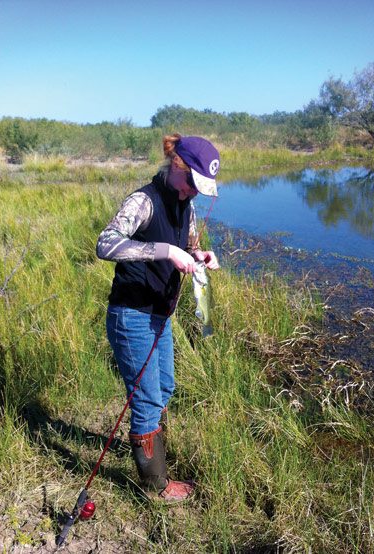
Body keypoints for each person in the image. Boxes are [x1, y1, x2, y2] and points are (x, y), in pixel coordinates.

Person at [96, 134, 220, 501]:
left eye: (200, 188)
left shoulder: (188, 205)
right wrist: (165, 250)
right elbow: (106, 243)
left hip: (160, 315)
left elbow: (189, 245)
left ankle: (151, 448)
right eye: (190, 184)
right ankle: (154, 487)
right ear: (176, 166)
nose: (193, 193)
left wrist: (200, 256)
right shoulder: (143, 201)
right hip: (131, 314)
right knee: (148, 399)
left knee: (164, 387)